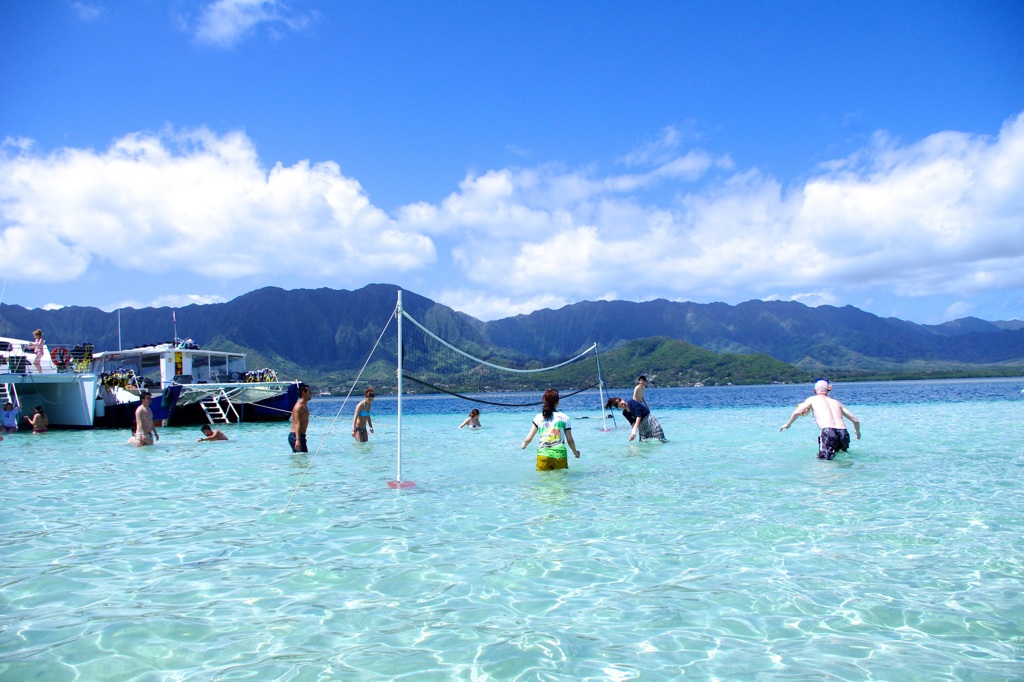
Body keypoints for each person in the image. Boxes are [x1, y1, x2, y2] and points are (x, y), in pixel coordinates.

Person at [780, 378, 861, 460]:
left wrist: (788, 424)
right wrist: (858, 432)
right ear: (829, 389)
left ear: (815, 390)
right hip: (843, 432)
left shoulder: (812, 399)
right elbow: (855, 420)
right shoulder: (837, 402)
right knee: (843, 458)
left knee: (825, 460)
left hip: (828, 431)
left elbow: (797, 412)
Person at [521, 388, 580, 470]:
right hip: (560, 455)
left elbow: (528, 439)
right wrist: (575, 453)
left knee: (544, 481)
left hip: (543, 454)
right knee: (560, 481)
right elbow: (570, 440)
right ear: (557, 402)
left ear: (544, 401)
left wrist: (524, 445)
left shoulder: (538, 417)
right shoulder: (564, 417)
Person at [289, 383, 312, 452]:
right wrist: (297, 440)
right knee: (300, 458)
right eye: (309, 392)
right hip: (295, 436)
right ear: (303, 393)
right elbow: (296, 423)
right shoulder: (299, 407)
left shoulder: (304, 406)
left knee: (302, 459)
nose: (311, 394)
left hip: (301, 436)